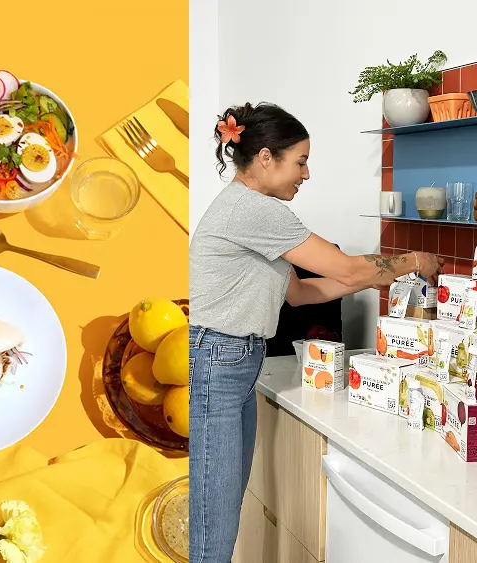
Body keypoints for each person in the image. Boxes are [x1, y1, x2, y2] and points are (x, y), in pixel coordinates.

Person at [188, 102, 443, 563]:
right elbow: (345, 269)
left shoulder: (257, 212)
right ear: (266, 157)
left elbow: (302, 293)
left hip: (238, 362)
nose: (305, 174)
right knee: (214, 522)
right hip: (219, 361)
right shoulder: (254, 210)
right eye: (300, 161)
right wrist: (411, 262)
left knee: (221, 508)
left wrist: (377, 276)